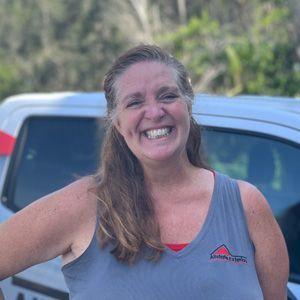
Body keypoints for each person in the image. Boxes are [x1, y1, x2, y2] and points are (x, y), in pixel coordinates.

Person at [0, 45, 289, 299]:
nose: (154, 112)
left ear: (188, 106)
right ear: (117, 123)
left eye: (167, 96)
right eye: (135, 102)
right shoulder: (85, 205)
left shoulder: (245, 205)